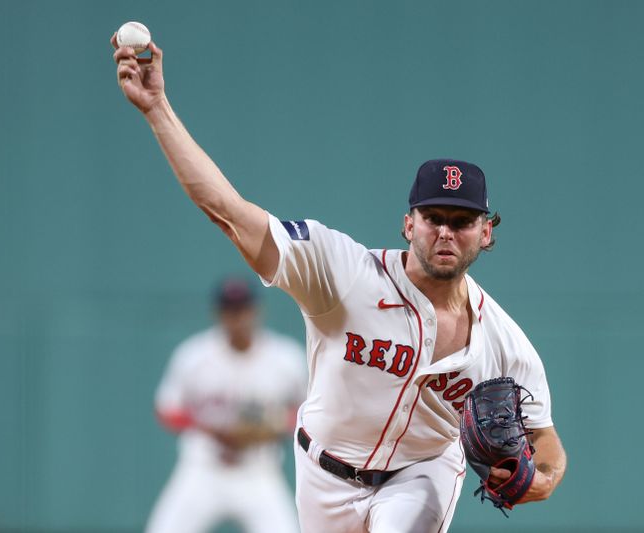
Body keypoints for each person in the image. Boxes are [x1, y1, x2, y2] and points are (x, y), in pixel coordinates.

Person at [113, 35, 567, 533]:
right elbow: (230, 214)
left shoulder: (503, 341)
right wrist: (157, 109)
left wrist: (542, 480)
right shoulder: (342, 272)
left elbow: (548, 444)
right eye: (433, 215)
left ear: (485, 232)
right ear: (408, 224)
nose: (444, 231)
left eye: (461, 221)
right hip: (322, 471)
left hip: (421, 474)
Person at [146, 278, 306, 533]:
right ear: (218, 313)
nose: (237, 317)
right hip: (203, 467)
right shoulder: (194, 355)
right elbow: (166, 409)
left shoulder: (286, 357)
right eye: (230, 310)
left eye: (243, 308)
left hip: (259, 469)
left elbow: (308, 413)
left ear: (256, 310)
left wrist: (273, 426)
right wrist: (210, 429)